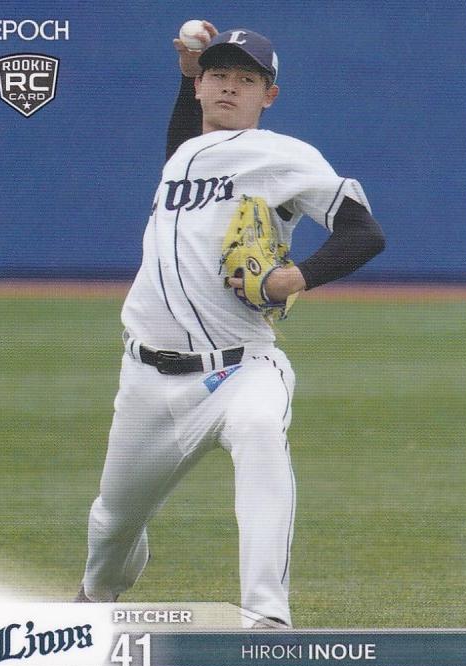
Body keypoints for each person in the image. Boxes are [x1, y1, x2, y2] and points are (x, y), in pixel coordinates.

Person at [76, 23, 385, 628]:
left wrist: (297, 278)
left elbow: (364, 232)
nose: (228, 87)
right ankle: (93, 601)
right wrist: (183, 74)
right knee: (112, 523)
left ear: (269, 96)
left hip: (242, 368)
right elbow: (183, 155)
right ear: (200, 86)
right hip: (147, 381)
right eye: (218, 75)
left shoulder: (283, 155)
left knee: (260, 431)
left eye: (246, 79)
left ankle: (266, 620)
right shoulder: (186, 155)